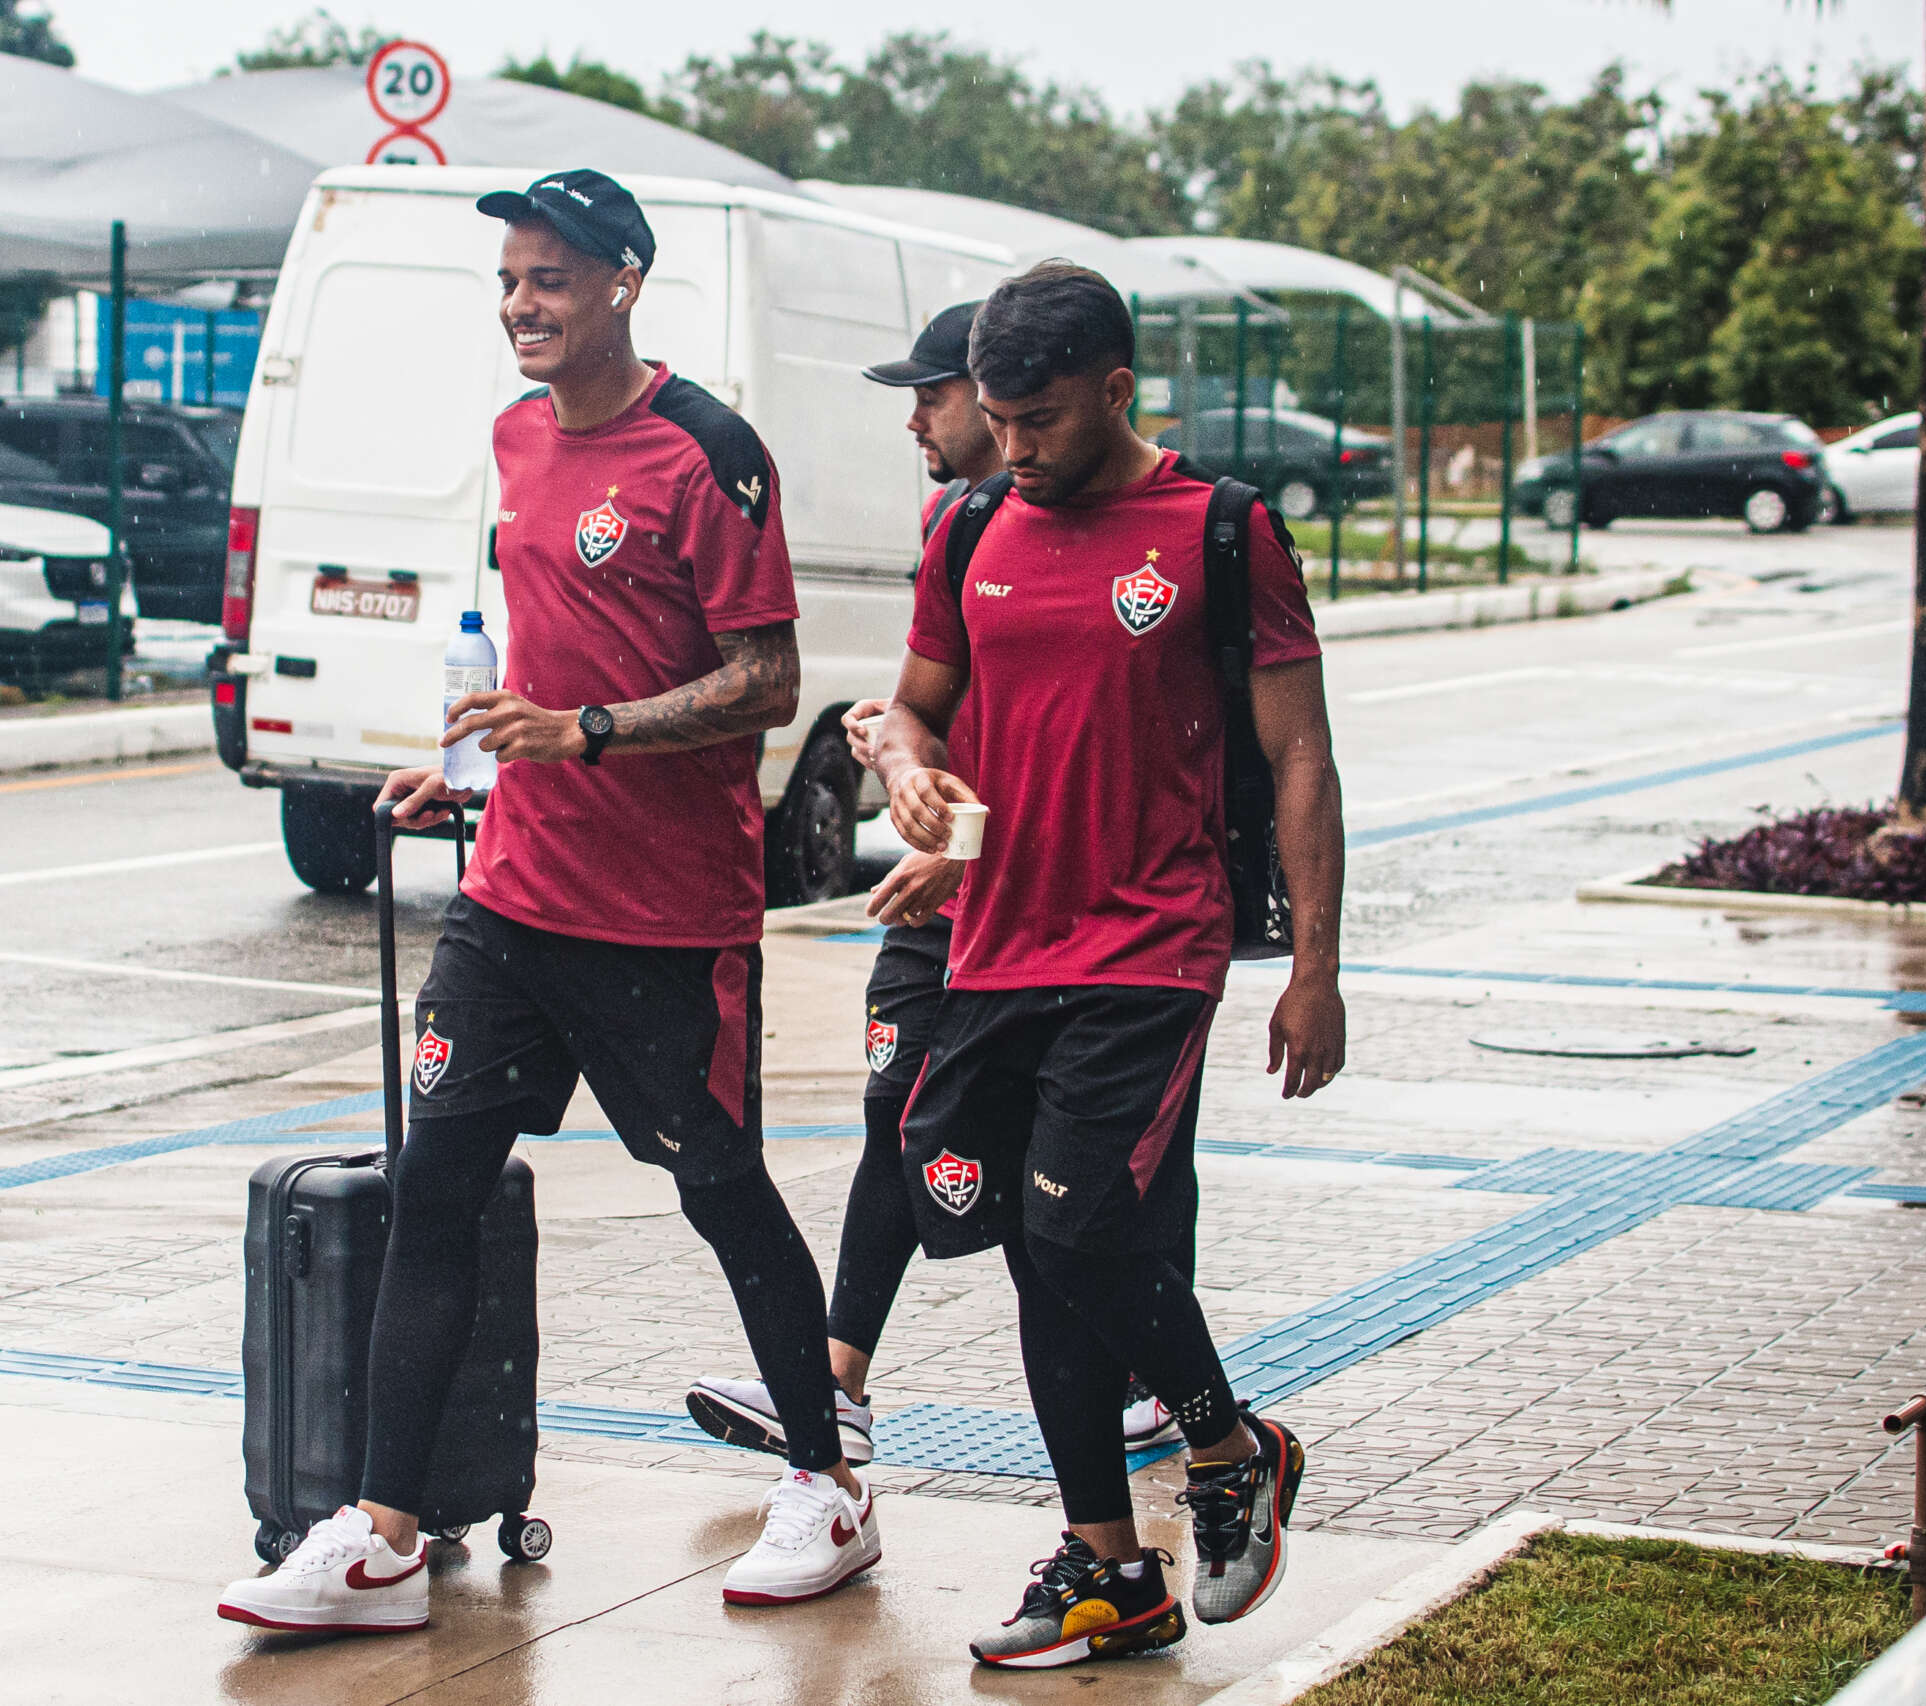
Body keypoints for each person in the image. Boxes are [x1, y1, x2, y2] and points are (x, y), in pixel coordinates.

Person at [216, 169, 875, 1637]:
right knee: (431, 1193)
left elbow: (766, 681)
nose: (523, 304)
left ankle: (827, 1483)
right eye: (511, 280)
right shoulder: (515, 440)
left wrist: (586, 733)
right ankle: (383, 1534)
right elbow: (537, 653)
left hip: (662, 917)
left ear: (624, 284)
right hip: (511, 901)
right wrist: (469, 774)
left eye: (552, 279)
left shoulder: (710, 453)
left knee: (721, 1191)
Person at [874, 262, 1346, 1669]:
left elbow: (1301, 754)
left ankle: (1229, 1446)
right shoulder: (969, 526)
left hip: (1150, 942)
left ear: (1116, 391)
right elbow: (914, 706)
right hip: (998, 939)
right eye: (996, 418)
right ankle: (1107, 1566)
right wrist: (906, 768)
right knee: (1035, 1256)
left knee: (1078, 1226)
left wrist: (1315, 968)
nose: (1009, 446)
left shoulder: (1219, 530)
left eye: (1037, 419)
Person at [684, 304, 1177, 1468]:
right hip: (947, 895)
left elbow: (1100, 751)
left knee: (1070, 1192)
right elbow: (943, 703)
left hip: (1068, 921)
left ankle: (1153, 1392)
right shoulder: (959, 523)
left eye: (935, 395)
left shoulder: (1142, 525)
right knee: (904, 1118)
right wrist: (901, 749)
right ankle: (838, 1375)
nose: (921, 418)